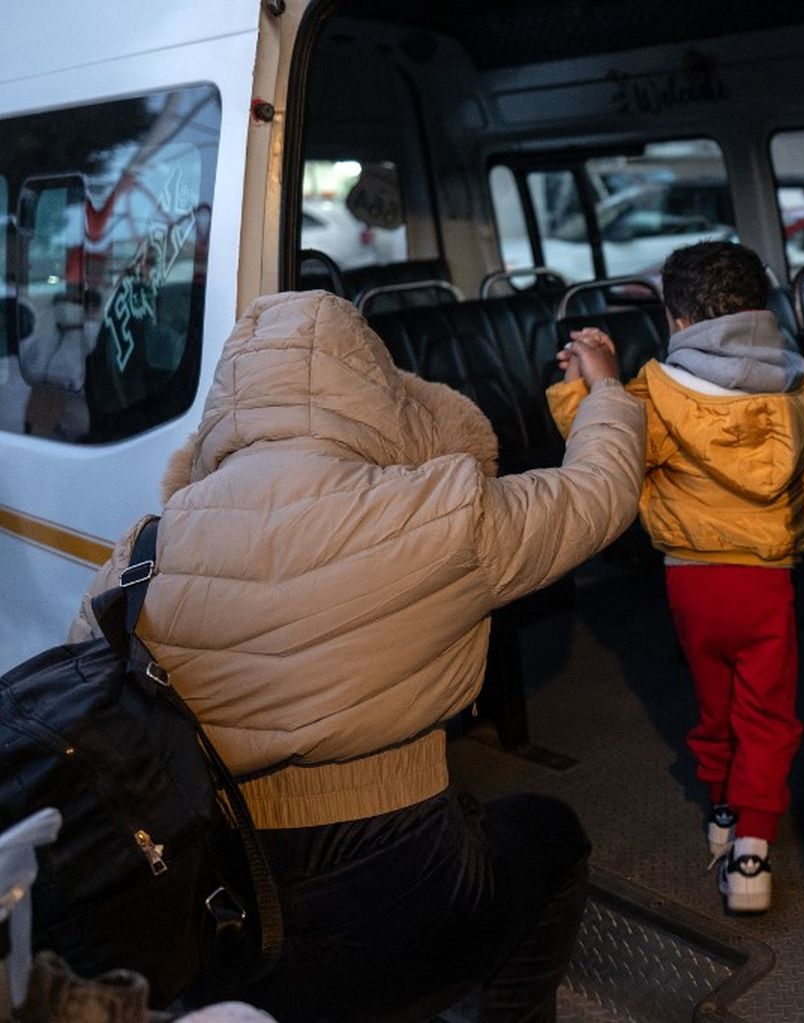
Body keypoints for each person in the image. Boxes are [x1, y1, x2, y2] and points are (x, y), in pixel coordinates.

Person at [68, 290, 645, 1021]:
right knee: (550, 838)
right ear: (377, 390)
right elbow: (600, 490)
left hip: (217, 919)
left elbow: (87, 693)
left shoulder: (143, 549)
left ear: (230, 400)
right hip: (408, 897)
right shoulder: (448, 512)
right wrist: (605, 391)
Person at [546, 241, 804, 914]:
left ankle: (722, 810)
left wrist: (585, 387)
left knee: (715, 706)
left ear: (677, 320)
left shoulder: (651, 393)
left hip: (691, 582)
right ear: (761, 307)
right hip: (768, 580)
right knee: (767, 715)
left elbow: (604, 451)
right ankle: (752, 853)